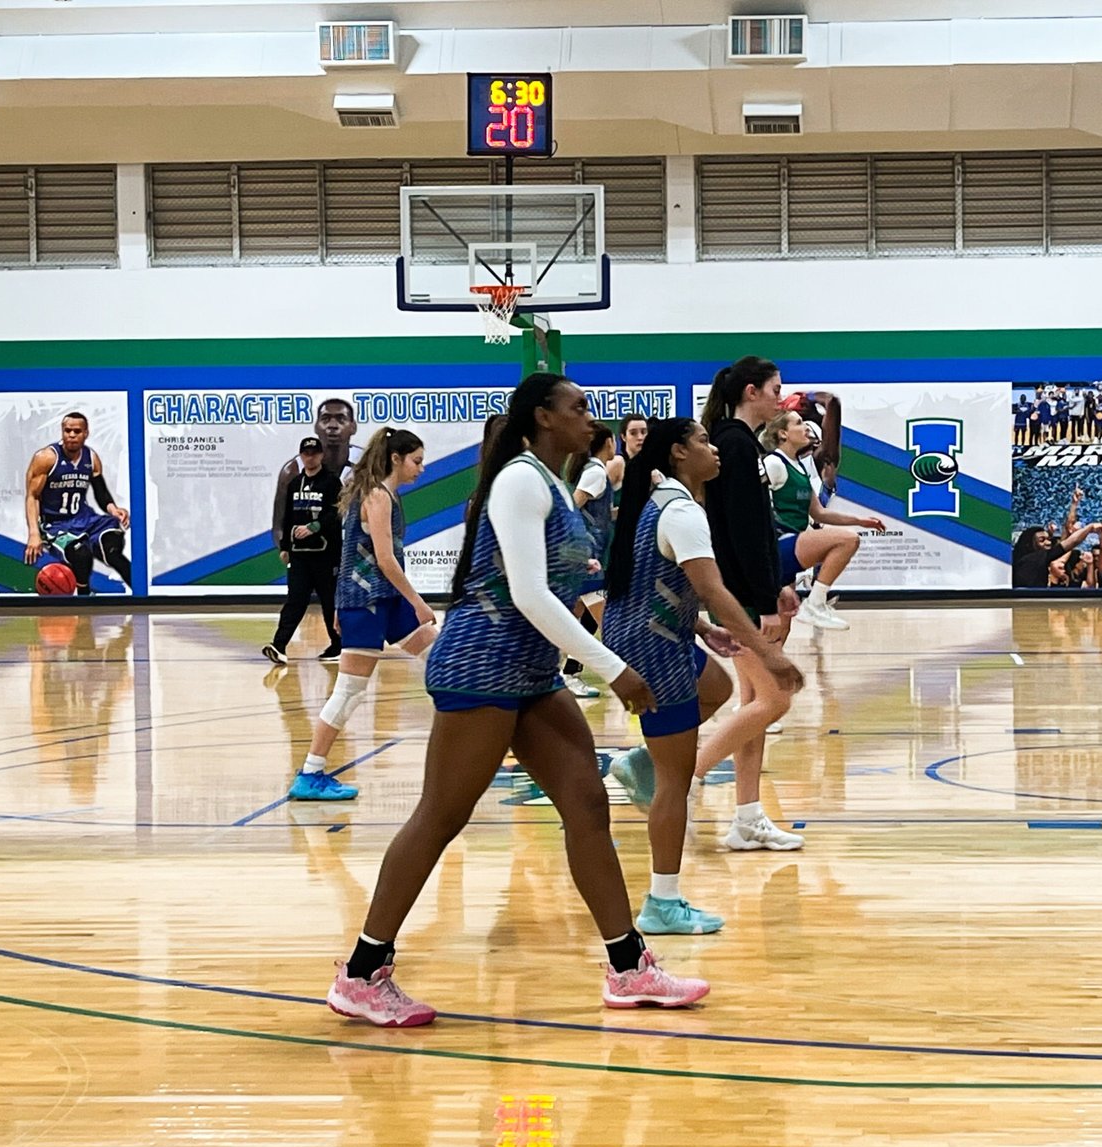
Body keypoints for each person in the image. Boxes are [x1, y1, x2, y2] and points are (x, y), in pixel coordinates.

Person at [325, 373, 706, 1028]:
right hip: (481, 665)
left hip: (529, 672)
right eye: (578, 407)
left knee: (587, 802)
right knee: (441, 816)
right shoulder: (522, 480)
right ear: (542, 418)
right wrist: (614, 669)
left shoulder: (554, 483)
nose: (591, 417)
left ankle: (627, 967)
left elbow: (560, 586)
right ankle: (362, 974)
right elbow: (530, 594)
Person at [603, 418, 805, 934]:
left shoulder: (665, 502)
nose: (714, 450)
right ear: (677, 453)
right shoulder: (682, 512)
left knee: (719, 687)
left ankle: (642, 759)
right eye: (702, 443)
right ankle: (662, 902)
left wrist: (698, 627)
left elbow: (657, 582)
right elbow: (714, 590)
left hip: (655, 633)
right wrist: (771, 654)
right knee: (675, 784)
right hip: (651, 648)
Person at [688, 355, 807, 852]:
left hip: (750, 591)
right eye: (776, 387)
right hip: (737, 598)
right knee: (777, 696)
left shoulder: (744, 445)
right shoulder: (733, 445)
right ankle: (675, 773)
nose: (782, 395)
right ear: (752, 391)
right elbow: (734, 533)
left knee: (755, 704)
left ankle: (747, 817)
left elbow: (759, 530)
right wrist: (758, 601)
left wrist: (777, 582)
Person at [288, 427, 437, 803]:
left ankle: (473, 751)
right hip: (369, 604)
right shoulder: (377, 497)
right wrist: (418, 602)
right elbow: (384, 560)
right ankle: (310, 773)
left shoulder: (382, 494)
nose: (421, 468)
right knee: (349, 693)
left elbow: (350, 553)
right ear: (396, 459)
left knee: (443, 661)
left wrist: (339, 603)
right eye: (416, 461)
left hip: (381, 602)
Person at [760, 410, 884, 630]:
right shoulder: (774, 463)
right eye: (799, 423)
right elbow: (750, 502)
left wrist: (861, 520)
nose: (806, 427)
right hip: (777, 544)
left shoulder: (799, 467)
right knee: (847, 540)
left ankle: (769, 663)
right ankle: (815, 603)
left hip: (791, 546)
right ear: (783, 434)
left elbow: (819, 513)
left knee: (782, 626)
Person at [22, 411, 132, 594]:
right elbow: (32, 496)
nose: (71, 435)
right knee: (82, 554)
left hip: (85, 519)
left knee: (113, 548)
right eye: (67, 431)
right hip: (56, 524)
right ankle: (84, 598)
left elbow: (100, 491)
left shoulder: (91, 458)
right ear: (62, 432)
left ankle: (143, 596)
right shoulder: (46, 458)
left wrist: (113, 509)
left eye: (77, 431)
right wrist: (34, 533)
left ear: (86, 433)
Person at [263, 436, 343, 665]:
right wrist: (285, 547)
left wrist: (315, 527)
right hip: (299, 556)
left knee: (330, 602)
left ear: (321, 455)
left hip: (326, 555)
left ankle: (338, 645)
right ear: (301, 456)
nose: (310, 457)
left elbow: (336, 513)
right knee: (295, 600)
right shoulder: (294, 483)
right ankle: (278, 645)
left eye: (314, 453)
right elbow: (288, 517)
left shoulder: (331, 482)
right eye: (306, 454)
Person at [560, 421, 620, 699]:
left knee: (581, 616)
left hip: (590, 551)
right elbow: (574, 505)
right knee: (601, 614)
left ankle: (566, 671)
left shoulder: (595, 472)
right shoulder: (596, 471)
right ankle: (624, 666)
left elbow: (603, 515)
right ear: (608, 443)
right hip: (587, 553)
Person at [273, 398, 362, 541]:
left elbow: (393, 518)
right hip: (310, 554)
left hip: (354, 555)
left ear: (353, 427)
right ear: (316, 427)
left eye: (341, 419)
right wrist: (292, 557)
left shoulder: (367, 465)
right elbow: (279, 528)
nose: (332, 425)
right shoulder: (293, 471)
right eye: (326, 419)